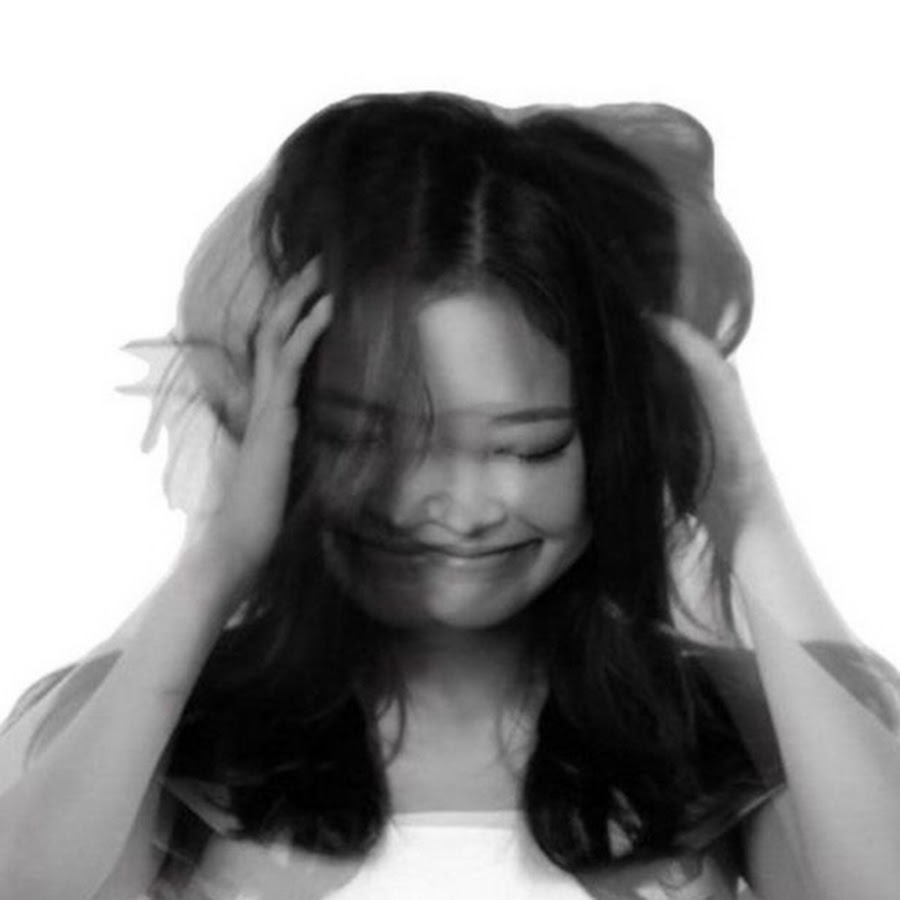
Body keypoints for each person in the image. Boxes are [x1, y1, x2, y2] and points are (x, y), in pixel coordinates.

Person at [1, 91, 898, 900]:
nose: (451, 509)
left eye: (526, 445)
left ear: (620, 445)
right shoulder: (155, 726)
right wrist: (220, 556)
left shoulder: (735, 734)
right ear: (284, 436)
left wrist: (746, 509)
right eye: (367, 438)